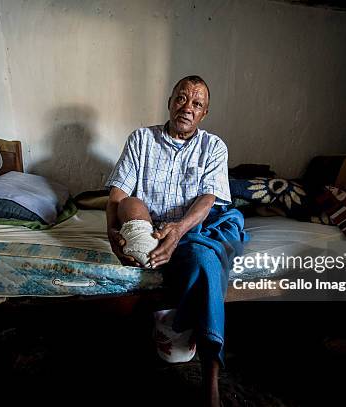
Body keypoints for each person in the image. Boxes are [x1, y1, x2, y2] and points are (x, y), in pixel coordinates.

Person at [105, 75, 247, 407]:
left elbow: (208, 200)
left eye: (197, 104)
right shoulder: (142, 138)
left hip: (191, 227)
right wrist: (112, 234)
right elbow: (118, 194)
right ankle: (169, 324)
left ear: (204, 112)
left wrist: (179, 231)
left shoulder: (214, 146)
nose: (187, 108)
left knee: (207, 261)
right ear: (170, 102)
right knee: (129, 206)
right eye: (181, 99)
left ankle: (210, 374)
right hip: (149, 227)